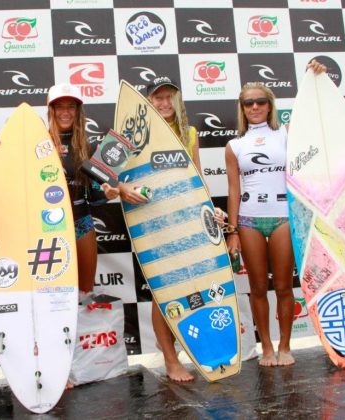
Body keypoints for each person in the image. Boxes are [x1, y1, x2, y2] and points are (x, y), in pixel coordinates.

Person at [224, 60, 326, 367]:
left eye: (260, 102)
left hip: (283, 216)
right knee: (257, 287)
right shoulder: (234, 145)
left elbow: (319, 119)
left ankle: (285, 346)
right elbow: (232, 191)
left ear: (270, 106)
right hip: (249, 221)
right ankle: (265, 347)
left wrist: (317, 80)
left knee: (283, 286)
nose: (254, 106)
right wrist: (231, 231)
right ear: (242, 108)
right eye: (248, 103)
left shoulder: (287, 134)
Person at [46, 84, 146, 295]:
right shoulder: (38, 143)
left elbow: (97, 196)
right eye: (59, 107)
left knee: (84, 293)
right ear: (51, 110)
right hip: (46, 227)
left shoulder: (89, 146)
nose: (65, 112)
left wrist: (110, 193)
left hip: (80, 223)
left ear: (78, 111)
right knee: (51, 295)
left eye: (71, 107)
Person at [145, 76, 202, 382]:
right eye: (158, 98)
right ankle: (170, 359)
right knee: (162, 290)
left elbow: (199, 178)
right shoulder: (138, 134)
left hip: (187, 221)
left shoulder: (190, 133)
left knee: (184, 287)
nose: (165, 103)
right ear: (148, 103)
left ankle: (171, 344)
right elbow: (114, 175)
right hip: (152, 222)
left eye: (170, 97)